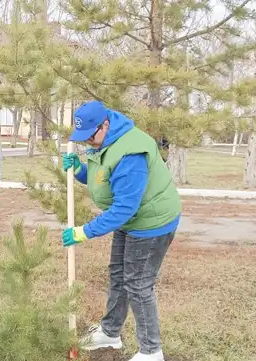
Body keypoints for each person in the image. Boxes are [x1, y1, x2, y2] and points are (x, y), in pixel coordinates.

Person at [61, 101, 181, 361]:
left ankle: (151, 352)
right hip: (132, 220)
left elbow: (124, 208)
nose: (88, 142)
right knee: (118, 274)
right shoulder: (105, 139)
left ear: (105, 125)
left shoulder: (130, 153)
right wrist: (81, 170)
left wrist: (85, 232)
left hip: (151, 223)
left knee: (138, 284)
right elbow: (104, 178)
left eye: (91, 136)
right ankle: (110, 332)